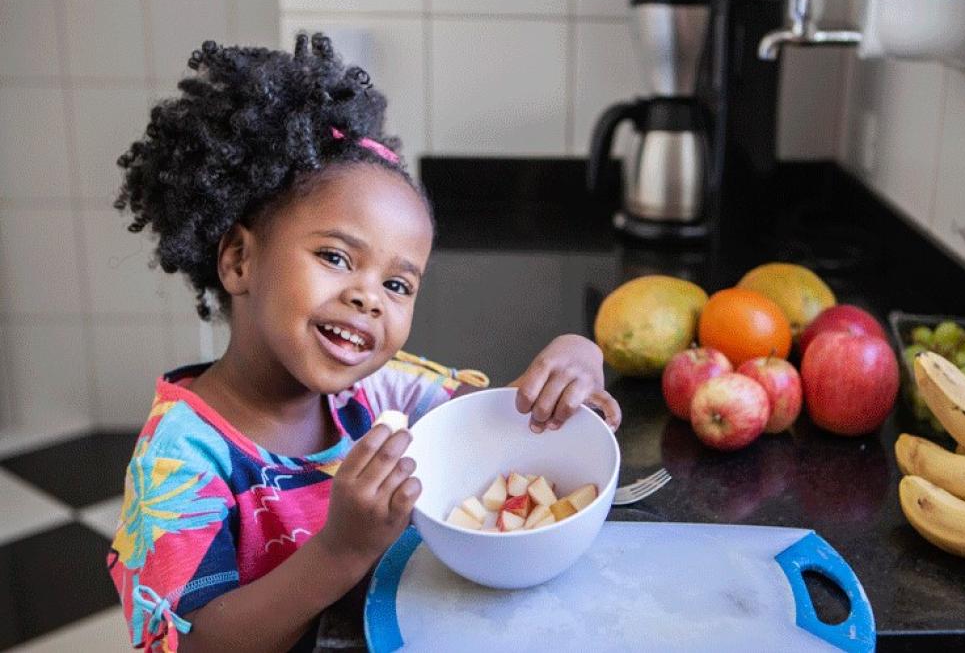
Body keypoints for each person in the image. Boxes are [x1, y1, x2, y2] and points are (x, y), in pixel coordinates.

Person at [106, 33, 622, 652]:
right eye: (334, 256)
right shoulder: (182, 459)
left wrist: (574, 361)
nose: (370, 297)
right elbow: (190, 646)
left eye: (398, 283)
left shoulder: (380, 390)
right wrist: (340, 551)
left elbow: (491, 426)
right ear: (240, 259)